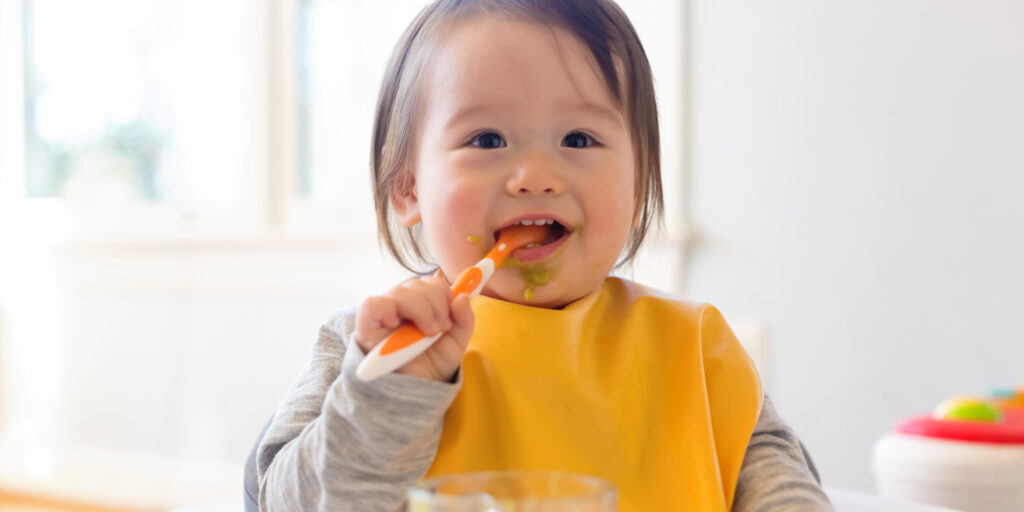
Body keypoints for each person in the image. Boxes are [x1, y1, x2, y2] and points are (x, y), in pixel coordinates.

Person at [249, 0, 832, 510]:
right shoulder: (376, 348)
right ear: (408, 188)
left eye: (578, 139)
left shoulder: (697, 351)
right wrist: (386, 400)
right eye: (487, 140)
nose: (534, 177)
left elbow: (785, 493)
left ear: (639, 186)